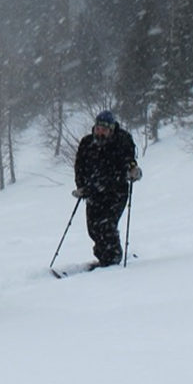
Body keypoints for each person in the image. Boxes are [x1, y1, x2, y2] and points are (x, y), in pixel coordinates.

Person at [73, 110, 141, 267]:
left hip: (116, 191)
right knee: (93, 228)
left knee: (106, 225)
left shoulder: (122, 140)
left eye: (103, 129)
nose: (100, 132)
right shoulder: (87, 143)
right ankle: (103, 257)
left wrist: (132, 170)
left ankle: (112, 258)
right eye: (98, 128)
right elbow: (80, 166)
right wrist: (81, 186)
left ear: (111, 129)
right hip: (93, 192)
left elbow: (129, 161)